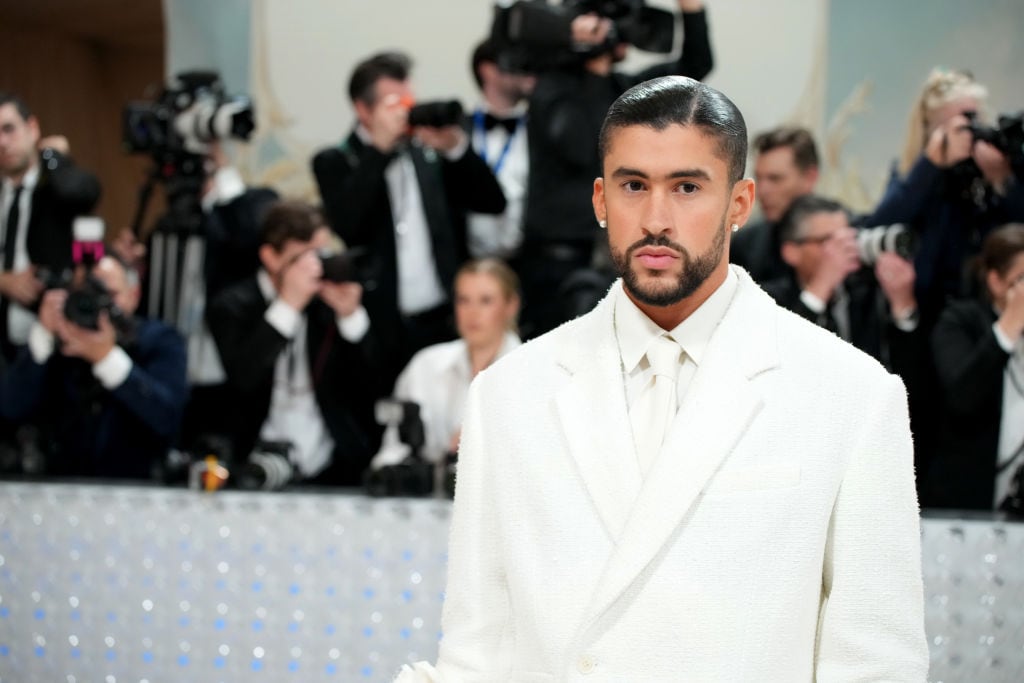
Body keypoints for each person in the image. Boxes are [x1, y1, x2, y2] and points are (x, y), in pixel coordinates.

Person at [396, 76, 926, 681]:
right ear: (600, 200)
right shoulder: (508, 393)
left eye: (687, 187)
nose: (655, 218)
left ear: (739, 203)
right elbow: (478, 647)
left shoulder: (851, 395)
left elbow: (876, 663)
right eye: (633, 186)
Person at [312, 51, 507, 386]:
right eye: (393, 103)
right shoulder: (335, 161)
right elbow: (349, 226)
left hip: (444, 320)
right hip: (379, 325)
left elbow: (492, 202)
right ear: (363, 109)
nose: (404, 111)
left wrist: (456, 148)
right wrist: (378, 150)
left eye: (408, 100)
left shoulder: (427, 152)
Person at [519, 0, 712, 337]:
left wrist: (692, 11)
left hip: (615, 260)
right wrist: (593, 62)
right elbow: (585, 146)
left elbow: (695, 66)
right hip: (557, 266)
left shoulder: (622, 88)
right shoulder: (551, 89)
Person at [207, 201, 384, 487]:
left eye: (322, 252)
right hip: (252, 461)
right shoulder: (232, 305)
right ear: (271, 257)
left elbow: (370, 384)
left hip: (332, 463)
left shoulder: (325, 302)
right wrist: (288, 305)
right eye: (304, 256)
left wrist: (351, 317)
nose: (316, 266)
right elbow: (244, 378)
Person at [0, 255, 188, 479]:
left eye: (109, 296)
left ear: (134, 295)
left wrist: (106, 358)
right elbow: (10, 410)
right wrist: (42, 337)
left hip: (137, 484)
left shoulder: (159, 340)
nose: (99, 307)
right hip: (58, 483)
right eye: (85, 294)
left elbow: (167, 419)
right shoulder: (58, 341)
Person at [865, 68, 1024, 330]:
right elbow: (878, 224)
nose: (969, 132)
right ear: (931, 129)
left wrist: (1001, 181)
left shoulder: (990, 171)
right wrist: (930, 165)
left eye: (975, 119)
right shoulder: (913, 173)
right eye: (959, 124)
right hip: (928, 310)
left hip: (986, 310)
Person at [371, 258, 520, 470]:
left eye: (485, 301)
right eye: (463, 300)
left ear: (511, 305)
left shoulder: (535, 375)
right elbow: (392, 450)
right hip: (425, 497)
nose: (472, 312)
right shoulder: (425, 365)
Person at [0, 91, 101, 362]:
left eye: (9, 129)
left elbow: (80, 193)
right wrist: (4, 281)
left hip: (54, 336)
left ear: (32, 128)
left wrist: (54, 157)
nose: (2, 142)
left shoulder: (56, 188)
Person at [929, 224, 1024, 510]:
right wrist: (1010, 323)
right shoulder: (960, 321)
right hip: (970, 497)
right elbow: (962, 396)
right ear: (997, 282)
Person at [764, 194, 920, 361]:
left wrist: (902, 306)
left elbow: (911, 375)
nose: (845, 248)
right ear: (791, 252)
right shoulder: (767, 300)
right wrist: (820, 287)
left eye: (848, 238)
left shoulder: (866, 292)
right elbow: (783, 359)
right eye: (828, 240)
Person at [464, 40, 535, 261]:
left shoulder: (539, 131)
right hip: (466, 263)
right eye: (514, 63)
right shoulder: (458, 131)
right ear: (487, 70)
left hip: (529, 263)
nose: (527, 71)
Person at [730, 126, 820, 284]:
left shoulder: (846, 236)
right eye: (759, 178)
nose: (761, 191)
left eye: (775, 179)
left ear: (809, 178)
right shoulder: (745, 243)